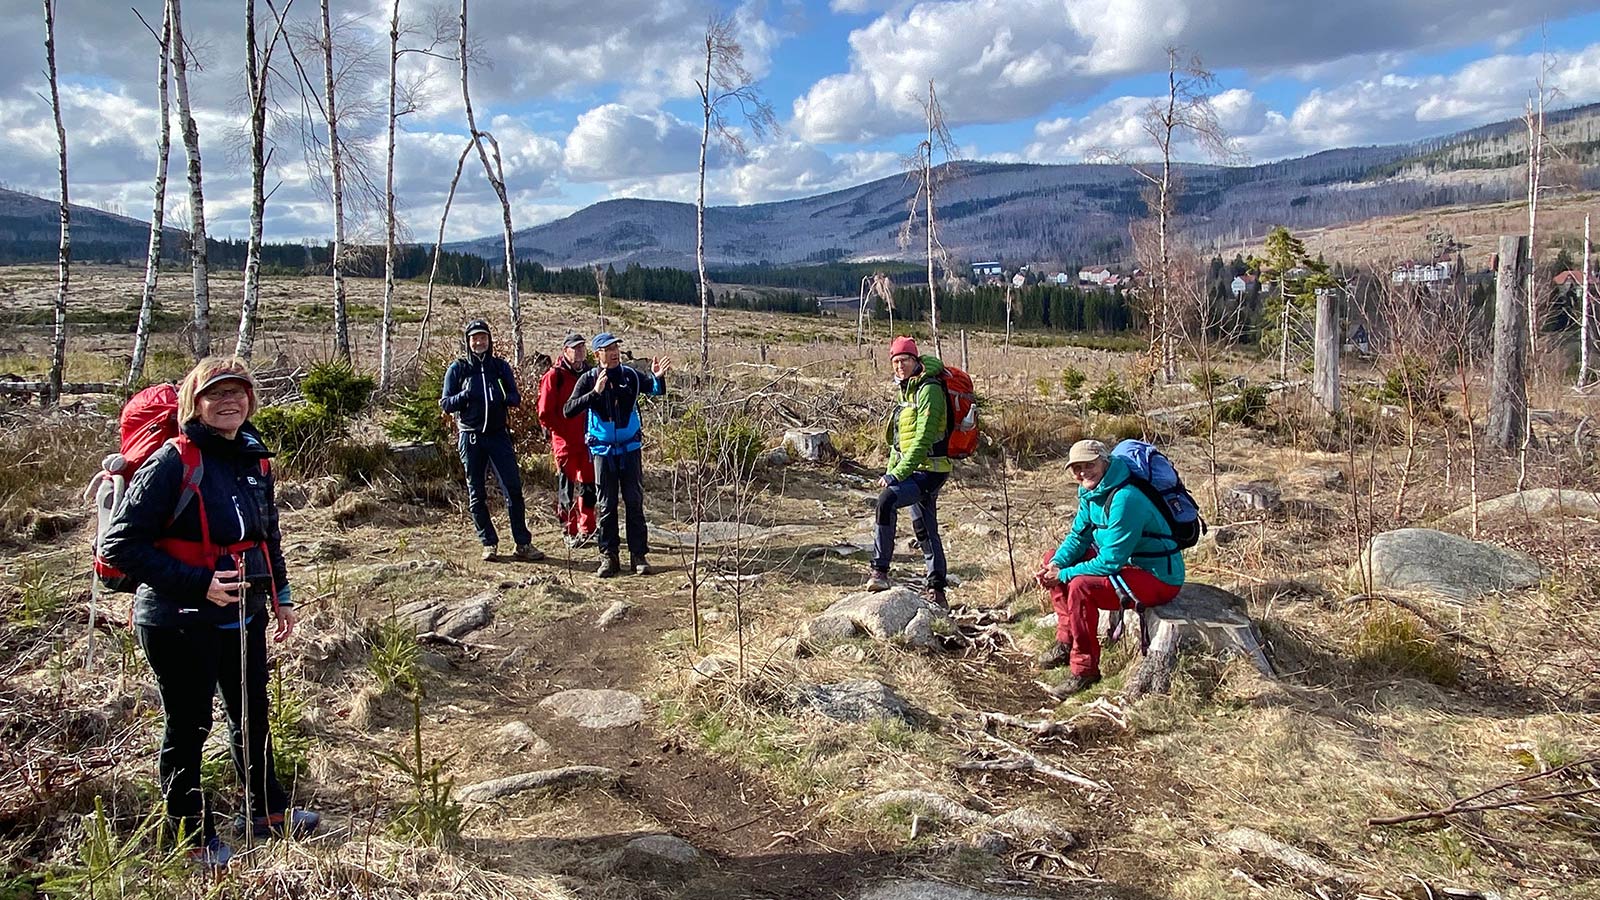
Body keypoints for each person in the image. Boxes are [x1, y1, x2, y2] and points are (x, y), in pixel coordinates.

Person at [101, 357, 319, 868]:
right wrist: (200, 584)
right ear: (192, 403)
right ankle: (190, 836)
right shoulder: (173, 462)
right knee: (190, 725)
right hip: (177, 619)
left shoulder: (253, 458)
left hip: (244, 613)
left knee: (252, 714)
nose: (230, 401)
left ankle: (265, 812)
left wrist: (281, 595)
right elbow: (120, 546)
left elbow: (267, 534)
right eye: (215, 394)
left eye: (238, 392)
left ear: (251, 401)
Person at [1034, 439, 1185, 695]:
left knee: (1082, 586)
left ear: (1104, 461)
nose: (1082, 472)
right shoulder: (1090, 493)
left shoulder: (1125, 499)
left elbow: (1110, 561)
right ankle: (1066, 640)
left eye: (1089, 465)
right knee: (1052, 557)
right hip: (1125, 566)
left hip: (1157, 577)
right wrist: (1056, 565)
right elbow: (1078, 537)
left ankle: (1085, 670)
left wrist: (1065, 574)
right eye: (1077, 467)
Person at [562, 332, 669, 577]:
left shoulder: (629, 375)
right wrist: (595, 393)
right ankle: (608, 558)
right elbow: (568, 410)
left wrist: (659, 378)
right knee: (607, 505)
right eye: (608, 349)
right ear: (597, 354)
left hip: (630, 450)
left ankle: (638, 556)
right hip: (602, 452)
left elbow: (654, 389)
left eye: (616, 348)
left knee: (634, 503)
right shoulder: (589, 378)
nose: (614, 352)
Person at [440, 320, 546, 562]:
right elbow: (446, 403)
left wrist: (502, 396)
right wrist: (465, 396)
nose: (479, 342)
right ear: (468, 341)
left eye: (483, 338)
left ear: (489, 340)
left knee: (513, 490)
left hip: (498, 435)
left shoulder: (499, 367)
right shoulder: (458, 368)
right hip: (470, 436)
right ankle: (488, 543)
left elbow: (516, 397)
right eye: (475, 338)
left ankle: (523, 543)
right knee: (476, 494)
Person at [864, 335, 953, 607]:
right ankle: (937, 590)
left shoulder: (929, 390)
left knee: (887, 501)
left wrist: (896, 476)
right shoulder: (907, 390)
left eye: (904, 360)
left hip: (932, 469)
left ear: (915, 360)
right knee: (924, 527)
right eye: (895, 361)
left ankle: (880, 571)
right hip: (915, 469)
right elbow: (899, 441)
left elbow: (923, 439)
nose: (900, 365)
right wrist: (892, 469)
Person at [537, 332, 598, 548]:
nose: (579, 352)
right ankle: (569, 530)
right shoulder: (555, 376)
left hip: (588, 441)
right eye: (575, 348)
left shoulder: (590, 373)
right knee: (567, 488)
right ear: (565, 351)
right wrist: (560, 431)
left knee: (589, 486)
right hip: (565, 443)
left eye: (582, 348)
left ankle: (588, 528)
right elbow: (544, 412)